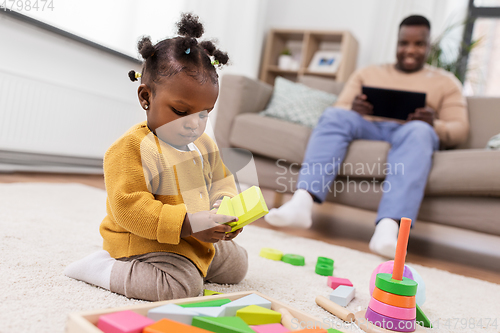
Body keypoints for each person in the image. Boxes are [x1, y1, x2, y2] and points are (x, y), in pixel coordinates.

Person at [64, 13, 248, 301]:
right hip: (146, 243)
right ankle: (102, 268)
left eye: (203, 114)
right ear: (146, 97)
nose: (193, 124)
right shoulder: (130, 148)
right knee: (181, 287)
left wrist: (224, 206)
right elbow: (129, 208)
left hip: (191, 235)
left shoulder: (204, 144)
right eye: (180, 111)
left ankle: (196, 259)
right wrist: (188, 223)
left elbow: (222, 180)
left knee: (239, 265)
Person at [265, 15, 469, 258]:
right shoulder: (368, 73)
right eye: (404, 43)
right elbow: (339, 108)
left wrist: (433, 123)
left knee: (420, 131)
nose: (410, 50)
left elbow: (460, 130)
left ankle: (388, 229)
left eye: (419, 44)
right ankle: (301, 203)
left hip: (411, 132)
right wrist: (354, 109)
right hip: (369, 126)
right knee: (333, 115)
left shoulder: (447, 83)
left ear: (429, 46)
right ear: (397, 43)